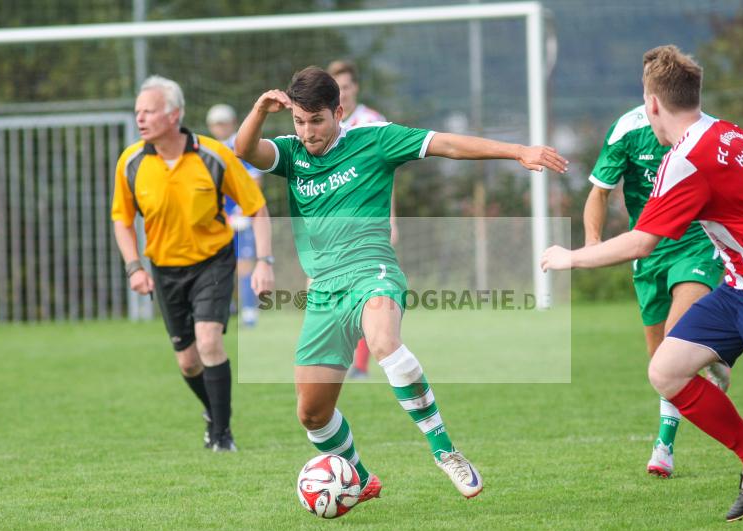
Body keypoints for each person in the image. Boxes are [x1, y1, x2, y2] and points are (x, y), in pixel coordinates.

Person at [541, 45, 743, 521]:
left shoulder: (685, 161)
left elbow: (641, 243)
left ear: (652, 104)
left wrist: (572, 258)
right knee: (666, 370)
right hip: (740, 289)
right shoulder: (726, 132)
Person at [235, 66, 567, 506]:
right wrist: (259, 109)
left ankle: (445, 451)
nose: (308, 132)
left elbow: (446, 144)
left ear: (338, 113)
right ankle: (359, 476)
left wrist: (517, 151)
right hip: (324, 290)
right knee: (312, 414)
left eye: (317, 121)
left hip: (372, 269)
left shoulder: (375, 139)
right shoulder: (292, 153)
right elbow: (244, 149)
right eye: (299, 121)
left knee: (384, 341)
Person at [112, 76, 275, 452]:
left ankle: (222, 435)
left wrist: (264, 261)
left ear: (173, 115)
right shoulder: (131, 162)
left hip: (213, 263)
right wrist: (134, 267)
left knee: (208, 342)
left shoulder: (213, 155)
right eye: (137, 111)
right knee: (188, 362)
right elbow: (121, 219)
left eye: (148, 111)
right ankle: (212, 415)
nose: (140, 118)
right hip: (165, 270)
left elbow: (257, 208)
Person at [584, 106, 729, 478]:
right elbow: (599, 193)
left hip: (696, 244)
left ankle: (664, 447)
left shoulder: (706, 130)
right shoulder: (626, 131)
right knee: (659, 364)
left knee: (672, 343)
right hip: (646, 252)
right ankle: (713, 353)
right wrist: (591, 244)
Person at [328, 59, 393, 379]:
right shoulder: (324, 123)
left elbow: (386, 170)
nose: (343, 92)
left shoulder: (372, 121)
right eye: (336, 87)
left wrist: (392, 218)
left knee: (369, 287)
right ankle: (339, 356)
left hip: (368, 218)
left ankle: (361, 365)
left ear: (356, 88)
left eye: (347, 86)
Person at [206, 103, 263, 328]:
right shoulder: (207, 149)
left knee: (245, 263)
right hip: (217, 218)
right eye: (216, 124)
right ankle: (225, 306)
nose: (220, 127)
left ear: (232, 123)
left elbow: (254, 181)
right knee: (218, 263)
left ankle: (249, 310)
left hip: (239, 217)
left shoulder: (241, 146)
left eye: (224, 123)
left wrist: (243, 210)